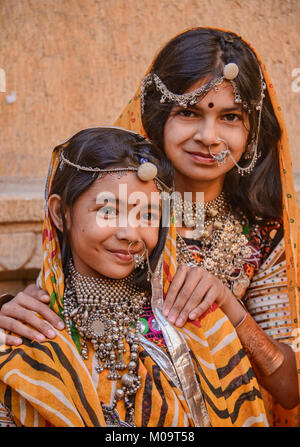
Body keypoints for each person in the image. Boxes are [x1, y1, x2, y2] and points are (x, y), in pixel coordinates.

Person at [1, 26, 299, 426]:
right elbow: (62, 292)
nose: (209, 137)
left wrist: (228, 306)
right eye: (188, 112)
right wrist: (12, 312)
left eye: (230, 117)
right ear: (158, 116)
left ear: (252, 129)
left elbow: (288, 390)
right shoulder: (110, 191)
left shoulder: (262, 234)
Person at [0, 127, 267, 427]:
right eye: (109, 211)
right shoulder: (23, 327)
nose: (130, 233)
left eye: (148, 215)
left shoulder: (198, 322)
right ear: (61, 213)